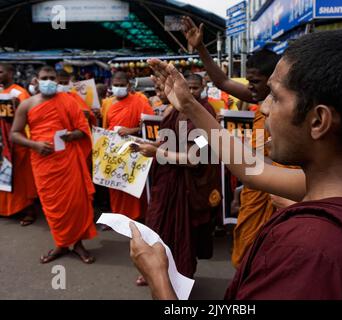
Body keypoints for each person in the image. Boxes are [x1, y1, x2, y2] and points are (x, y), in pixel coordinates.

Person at [130, 29, 342, 299]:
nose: (263, 108)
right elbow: (251, 170)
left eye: (275, 96)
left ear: (318, 121)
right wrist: (190, 104)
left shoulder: (304, 249)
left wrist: (160, 281)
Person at [181, 16, 281, 268]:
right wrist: (201, 48)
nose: (250, 88)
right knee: (246, 256)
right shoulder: (261, 102)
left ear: (273, 81)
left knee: (271, 259)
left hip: (281, 197)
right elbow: (222, 82)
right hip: (253, 190)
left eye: (255, 82)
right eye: (249, 81)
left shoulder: (290, 112)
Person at [133, 74, 221, 285]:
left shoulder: (204, 115)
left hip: (188, 187)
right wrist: (147, 145)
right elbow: (166, 143)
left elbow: (193, 159)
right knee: (157, 227)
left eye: (194, 88)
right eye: (186, 88)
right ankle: (155, 271)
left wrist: (155, 153)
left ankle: (180, 278)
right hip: (166, 185)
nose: (189, 93)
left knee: (182, 235)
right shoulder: (174, 111)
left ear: (203, 88)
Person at [11, 66, 96, 264]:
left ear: (57, 80)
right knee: (52, 206)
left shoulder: (68, 100)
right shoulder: (27, 105)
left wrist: (72, 135)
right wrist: (35, 145)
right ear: (37, 80)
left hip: (69, 161)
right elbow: (14, 134)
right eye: (44, 78)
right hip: (43, 164)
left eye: (51, 78)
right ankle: (61, 243)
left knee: (76, 204)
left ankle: (79, 244)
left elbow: (83, 129)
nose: (48, 81)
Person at [102, 71, 154, 221]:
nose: (118, 88)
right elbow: (105, 127)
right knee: (116, 187)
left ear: (129, 86)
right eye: (116, 85)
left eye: (122, 85)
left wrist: (132, 130)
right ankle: (119, 217)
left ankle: (137, 217)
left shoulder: (140, 102)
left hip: (134, 151)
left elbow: (150, 126)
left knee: (134, 185)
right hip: (114, 152)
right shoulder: (107, 104)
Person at [0, 63, 38, 226]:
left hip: (17, 142)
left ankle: (29, 210)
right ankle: (4, 209)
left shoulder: (20, 93)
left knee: (22, 179)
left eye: (1, 71)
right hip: (2, 142)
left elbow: (30, 116)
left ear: (11, 73)